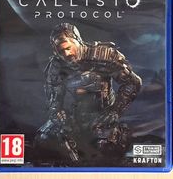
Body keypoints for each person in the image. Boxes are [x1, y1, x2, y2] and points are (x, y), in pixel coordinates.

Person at [35, 23, 141, 164]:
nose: (66, 54)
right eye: (61, 51)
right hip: (76, 114)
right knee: (43, 139)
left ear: (78, 41)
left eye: (68, 48)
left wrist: (115, 110)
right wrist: (57, 114)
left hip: (103, 113)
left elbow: (133, 82)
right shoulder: (57, 65)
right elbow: (53, 95)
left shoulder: (105, 55)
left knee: (105, 148)